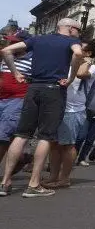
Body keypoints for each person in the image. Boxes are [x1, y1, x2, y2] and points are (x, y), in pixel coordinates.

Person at [0, 18, 84, 198]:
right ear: (70, 29)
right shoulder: (71, 41)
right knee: (45, 136)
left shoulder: (38, 39)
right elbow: (78, 54)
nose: (79, 33)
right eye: (78, 29)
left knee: (21, 134)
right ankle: (34, 184)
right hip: (53, 90)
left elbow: (7, 50)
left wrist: (15, 73)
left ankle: (5, 182)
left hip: (33, 88)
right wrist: (70, 78)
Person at [45, 41, 95, 189]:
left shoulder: (91, 67)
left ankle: (64, 178)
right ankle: (53, 176)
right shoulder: (68, 63)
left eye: (81, 48)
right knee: (54, 144)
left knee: (68, 145)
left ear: (88, 53)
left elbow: (81, 74)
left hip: (74, 109)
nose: (75, 49)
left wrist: (86, 61)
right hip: (58, 106)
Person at [0, 27, 32, 171]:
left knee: (3, 136)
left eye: (14, 43)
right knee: (10, 137)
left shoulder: (33, 60)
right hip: (2, 98)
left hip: (17, 100)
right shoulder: (6, 56)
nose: (10, 45)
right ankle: (23, 157)